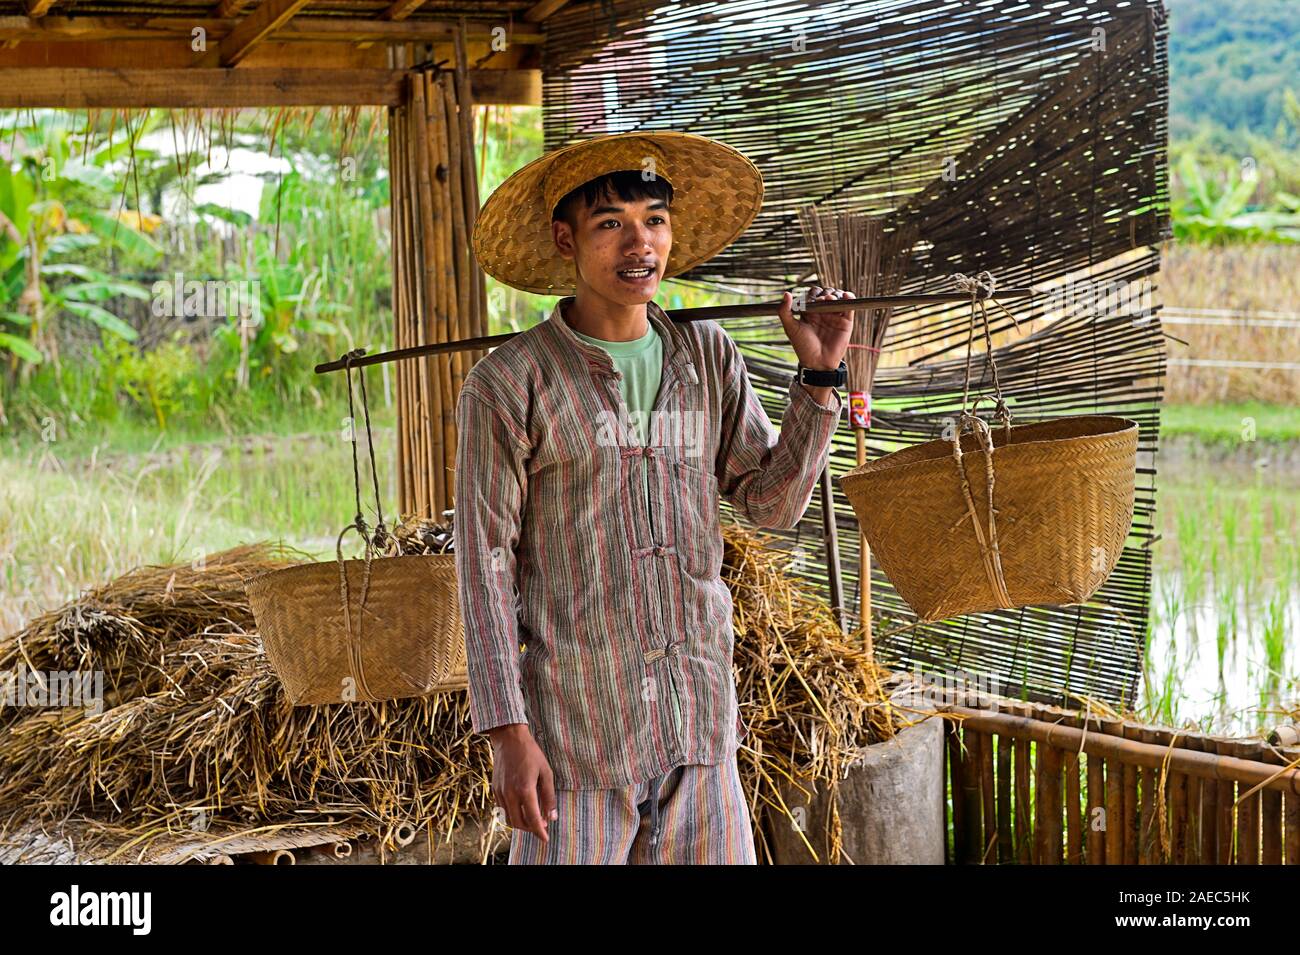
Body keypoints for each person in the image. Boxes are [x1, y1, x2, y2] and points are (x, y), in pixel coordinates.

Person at [456, 131, 853, 864]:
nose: (640, 243)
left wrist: (821, 380)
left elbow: (771, 504)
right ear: (565, 239)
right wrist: (507, 732)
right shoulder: (512, 383)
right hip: (576, 742)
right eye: (611, 223)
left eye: (654, 220)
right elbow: (482, 564)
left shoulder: (706, 356)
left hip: (697, 726)